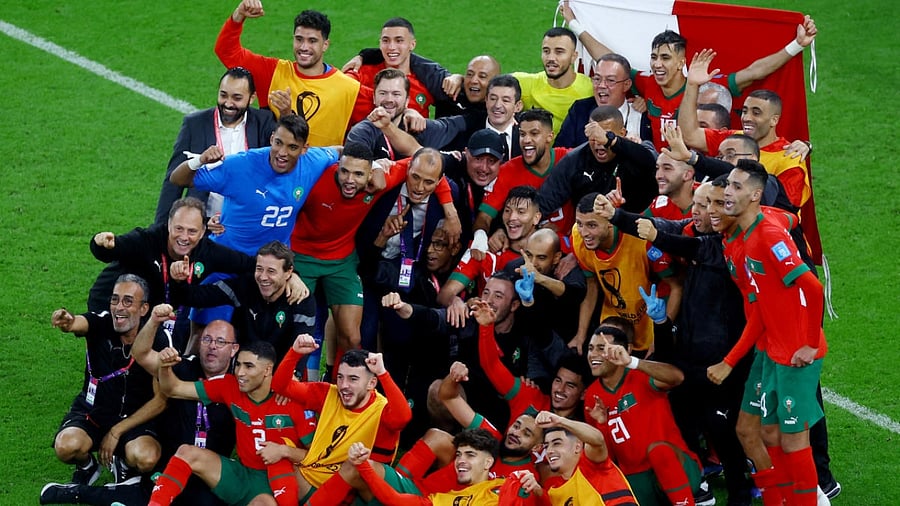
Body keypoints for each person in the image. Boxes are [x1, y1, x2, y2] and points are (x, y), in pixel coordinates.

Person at [595, 186, 756, 505]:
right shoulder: (699, 236)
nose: (705, 210)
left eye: (714, 203)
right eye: (701, 203)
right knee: (682, 419)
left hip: (723, 362)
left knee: (722, 427)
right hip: (690, 357)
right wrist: (616, 215)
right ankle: (699, 484)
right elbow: (663, 228)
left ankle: (741, 491)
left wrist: (646, 230)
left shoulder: (724, 248)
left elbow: (674, 240)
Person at [708, 160, 829, 506]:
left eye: (736, 187)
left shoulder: (766, 238)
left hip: (794, 354)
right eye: (727, 185)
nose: (728, 192)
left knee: (792, 441)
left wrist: (808, 344)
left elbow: (812, 286)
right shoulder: (751, 234)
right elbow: (789, 217)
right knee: (767, 433)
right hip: (772, 350)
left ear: (755, 195)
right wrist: (790, 220)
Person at [562, 4, 818, 150]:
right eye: (654, 57)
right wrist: (575, 25)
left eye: (665, 58)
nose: (657, 64)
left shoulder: (706, 89)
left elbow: (753, 72)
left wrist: (796, 45)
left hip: (693, 170)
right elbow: (609, 60)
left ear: (681, 62)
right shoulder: (646, 83)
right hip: (659, 168)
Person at [149, 340, 313, 506]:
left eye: (249, 366)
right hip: (241, 475)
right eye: (238, 365)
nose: (240, 372)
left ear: (267, 370)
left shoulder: (291, 400)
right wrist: (164, 367)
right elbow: (173, 389)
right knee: (186, 452)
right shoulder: (229, 385)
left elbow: (319, 458)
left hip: (278, 482)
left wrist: (284, 451)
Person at [46, 275, 166, 489]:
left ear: (144, 309)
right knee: (66, 447)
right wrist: (67, 321)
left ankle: (125, 463)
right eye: (115, 300)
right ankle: (87, 466)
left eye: (128, 301)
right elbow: (78, 323)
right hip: (93, 412)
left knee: (146, 458)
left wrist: (116, 431)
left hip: (135, 419)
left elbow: (160, 401)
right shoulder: (102, 321)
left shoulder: (158, 339)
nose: (119, 308)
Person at [87, 197, 256, 345]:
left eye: (192, 231)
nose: (184, 237)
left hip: (149, 313)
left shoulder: (208, 252)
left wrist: (282, 276)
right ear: (169, 225)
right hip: (109, 300)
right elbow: (113, 248)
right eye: (179, 229)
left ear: (203, 231)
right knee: (108, 357)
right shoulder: (147, 240)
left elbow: (248, 264)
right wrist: (100, 243)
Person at [270, 335, 412, 501]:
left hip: (352, 490)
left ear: (371, 384)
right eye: (340, 377)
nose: (344, 385)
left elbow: (403, 418)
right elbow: (280, 386)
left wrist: (382, 373)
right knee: (273, 462)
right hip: (313, 474)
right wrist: (294, 352)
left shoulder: (383, 409)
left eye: (353, 379)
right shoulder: (328, 393)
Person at [585, 326, 713, 506]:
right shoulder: (592, 396)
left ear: (623, 349)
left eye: (601, 348)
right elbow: (607, 456)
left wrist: (632, 362)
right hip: (634, 476)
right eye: (590, 348)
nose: (593, 354)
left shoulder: (641, 374)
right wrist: (602, 424)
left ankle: (695, 497)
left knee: (659, 451)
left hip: (675, 465)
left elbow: (677, 377)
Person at [214, 0, 362, 146]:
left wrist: (366, 55)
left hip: (325, 170)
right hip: (277, 167)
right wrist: (239, 15)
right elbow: (226, 51)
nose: (304, 47)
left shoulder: (349, 88)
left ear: (325, 45)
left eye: (312, 41)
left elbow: (383, 106)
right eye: (299, 39)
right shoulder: (272, 72)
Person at [677, 50, 812, 209]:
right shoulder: (734, 139)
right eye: (745, 111)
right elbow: (689, 135)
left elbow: (784, 209)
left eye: (756, 113)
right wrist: (692, 85)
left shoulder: (790, 158)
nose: (746, 118)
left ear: (774, 120)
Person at [154, 67, 277, 225]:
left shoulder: (265, 122)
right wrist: (160, 230)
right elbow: (173, 181)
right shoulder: (195, 124)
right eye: (223, 95)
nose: (228, 103)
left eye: (237, 98)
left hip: (248, 223)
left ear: (252, 97)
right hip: (204, 224)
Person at [168, 241, 316, 363]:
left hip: (279, 374)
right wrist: (178, 281)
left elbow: (302, 348)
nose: (263, 277)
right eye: (259, 269)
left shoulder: (301, 299)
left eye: (271, 271)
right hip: (242, 371)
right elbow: (195, 297)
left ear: (288, 272)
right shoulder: (245, 286)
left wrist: (290, 377)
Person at [569, 193, 674, 354]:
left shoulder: (641, 239)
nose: (584, 233)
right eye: (579, 224)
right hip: (610, 326)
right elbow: (592, 284)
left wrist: (660, 336)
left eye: (591, 225)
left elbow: (675, 286)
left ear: (610, 222)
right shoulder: (577, 238)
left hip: (649, 329)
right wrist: (581, 335)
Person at [471, 109, 574, 257]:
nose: (526, 140)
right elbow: (484, 218)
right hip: (523, 251)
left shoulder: (569, 160)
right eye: (522, 134)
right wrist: (481, 238)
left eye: (534, 133)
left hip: (566, 249)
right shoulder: (507, 171)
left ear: (549, 137)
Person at [339, 431, 537, 505]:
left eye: (470, 455)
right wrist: (363, 465)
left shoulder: (505, 487)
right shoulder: (443, 499)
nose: (460, 460)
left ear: (488, 463)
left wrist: (537, 489)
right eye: (459, 455)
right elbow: (395, 500)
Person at [537, 106, 658, 218]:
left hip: (638, 230)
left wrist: (610, 141)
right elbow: (544, 202)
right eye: (594, 135)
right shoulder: (575, 160)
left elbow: (651, 162)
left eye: (605, 134)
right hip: (589, 231)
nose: (599, 141)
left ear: (622, 133)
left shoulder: (635, 154)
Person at [345, 17, 453, 118]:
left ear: (412, 44)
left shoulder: (426, 81)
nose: (391, 47)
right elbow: (340, 86)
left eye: (399, 40)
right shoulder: (361, 72)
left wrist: (458, 78)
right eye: (386, 41)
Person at [346, 69, 466, 159]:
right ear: (374, 98)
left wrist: (461, 79)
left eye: (396, 94)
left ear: (407, 100)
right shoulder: (361, 132)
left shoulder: (420, 127)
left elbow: (464, 122)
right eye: (383, 93)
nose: (389, 99)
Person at [536, 410, 638, 506]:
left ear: (578, 446)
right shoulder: (554, 492)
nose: (549, 451)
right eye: (546, 446)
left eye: (557, 443)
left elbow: (598, 440)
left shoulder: (591, 463)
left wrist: (561, 421)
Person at [555, 53, 647, 148]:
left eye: (610, 80)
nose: (602, 85)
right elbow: (561, 153)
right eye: (597, 79)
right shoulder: (580, 110)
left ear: (626, 85)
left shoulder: (641, 114)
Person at [512, 27, 593, 134]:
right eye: (546, 51)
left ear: (574, 57)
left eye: (559, 52)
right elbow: (490, 82)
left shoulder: (591, 89)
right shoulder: (526, 83)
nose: (550, 58)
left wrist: (574, 24)